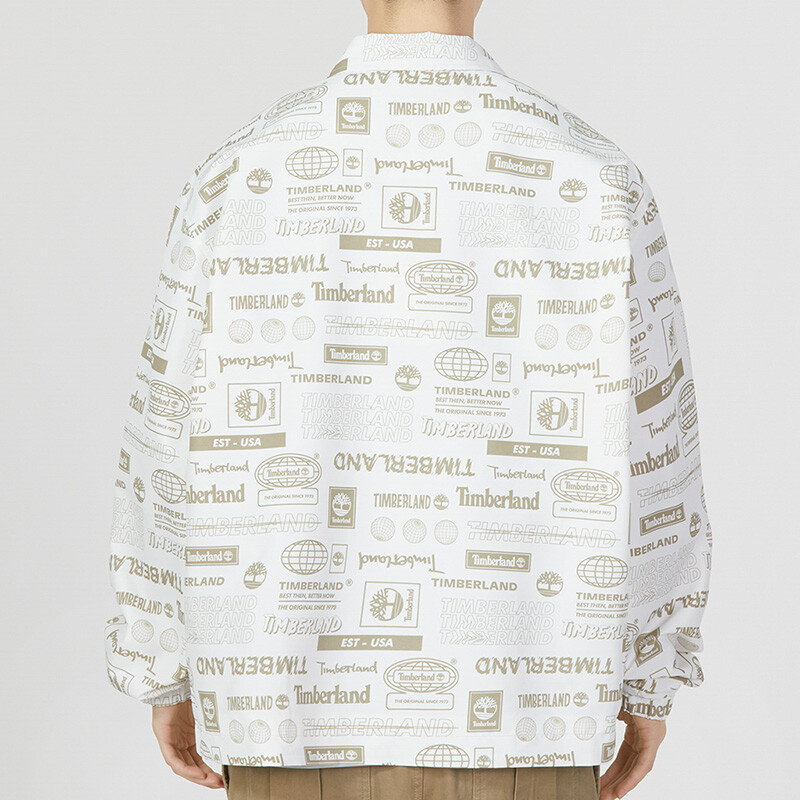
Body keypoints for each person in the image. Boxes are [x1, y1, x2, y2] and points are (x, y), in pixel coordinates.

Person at [102, 1, 714, 798]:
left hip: (290, 718)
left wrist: (162, 664)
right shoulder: (597, 180)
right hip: (531, 716)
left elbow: (163, 441)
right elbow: (659, 449)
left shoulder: (237, 174)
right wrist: (649, 677)